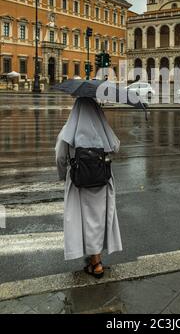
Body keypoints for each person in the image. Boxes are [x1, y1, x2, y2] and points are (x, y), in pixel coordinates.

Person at [55, 97, 122, 278]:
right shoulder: (102, 128)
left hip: (78, 183)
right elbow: (116, 146)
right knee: (98, 220)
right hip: (102, 181)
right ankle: (96, 259)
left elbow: (60, 158)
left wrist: (63, 176)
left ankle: (96, 263)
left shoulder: (68, 130)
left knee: (83, 221)